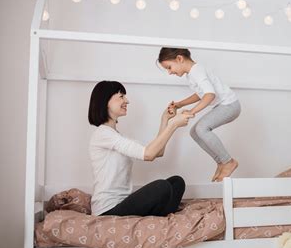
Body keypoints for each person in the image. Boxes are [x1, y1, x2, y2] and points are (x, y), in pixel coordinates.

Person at [87, 80, 193, 217]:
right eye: (121, 96)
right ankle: (160, 213)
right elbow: (148, 155)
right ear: (105, 101)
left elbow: (157, 152)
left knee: (177, 182)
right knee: (162, 187)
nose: (127, 101)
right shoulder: (103, 134)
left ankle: (158, 215)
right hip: (107, 210)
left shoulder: (116, 136)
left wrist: (165, 120)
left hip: (122, 203)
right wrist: (173, 125)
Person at [157, 48, 241, 182]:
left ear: (179, 59)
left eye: (169, 67)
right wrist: (180, 104)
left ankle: (228, 162)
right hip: (224, 105)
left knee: (202, 128)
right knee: (195, 132)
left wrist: (192, 112)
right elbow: (201, 94)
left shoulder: (196, 71)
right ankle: (221, 162)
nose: (169, 72)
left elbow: (209, 95)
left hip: (230, 105)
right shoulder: (192, 73)